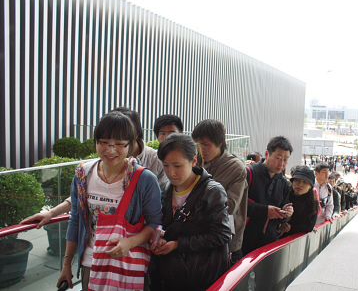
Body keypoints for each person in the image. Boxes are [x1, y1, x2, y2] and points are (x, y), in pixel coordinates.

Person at [57, 111, 162, 290]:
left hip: (130, 264)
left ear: (130, 145)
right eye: (103, 143)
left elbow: (155, 223)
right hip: (91, 262)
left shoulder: (145, 179)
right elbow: (75, 220)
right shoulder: (83, 175)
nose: (110, 150)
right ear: (96, 142)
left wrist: (130, 242)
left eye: (119, 144)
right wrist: (66, 266)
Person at [21, 108, 168, 229]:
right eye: (105, 140)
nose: (111, 150)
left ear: (133, 135)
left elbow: (161, 205)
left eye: (119, 140)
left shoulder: (155, 163)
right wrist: (52, 213)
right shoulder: (94, 167)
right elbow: (83, 196)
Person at [151, 133, 231, 291]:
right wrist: (159, 238)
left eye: (177, 166)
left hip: (202, 278)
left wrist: (178, 244)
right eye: (165, 165)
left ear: (193, 160)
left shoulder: (212, 191)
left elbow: (222, 234)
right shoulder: (164, 188)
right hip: (170, 276)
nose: (171, 172)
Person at [192, 119, 248, 265]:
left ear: (220, 143)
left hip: (226, 243)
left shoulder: (236, 168)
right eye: (197, 144)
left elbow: (229, 206)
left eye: (205, 144)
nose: (201, 149)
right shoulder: (194, 162)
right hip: (196, 238)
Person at [242, 136, 294, 256]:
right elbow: (237, 204)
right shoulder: (249, 173)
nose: (281, 164)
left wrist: (287, 213)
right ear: (266, 154)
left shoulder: (285, 184)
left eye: (285, 160)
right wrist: (265, 211)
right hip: (243, 241)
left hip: (269, 243)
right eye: (278, 158)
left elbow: (283, 215)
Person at [278, 166, 319, 237]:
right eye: (297, 180)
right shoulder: (283, 195)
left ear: (310, 186)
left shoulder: (313, 203)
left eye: (305, 182)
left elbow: (309, 227)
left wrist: (288, 226)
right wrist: (280, 224)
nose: (300, 184)